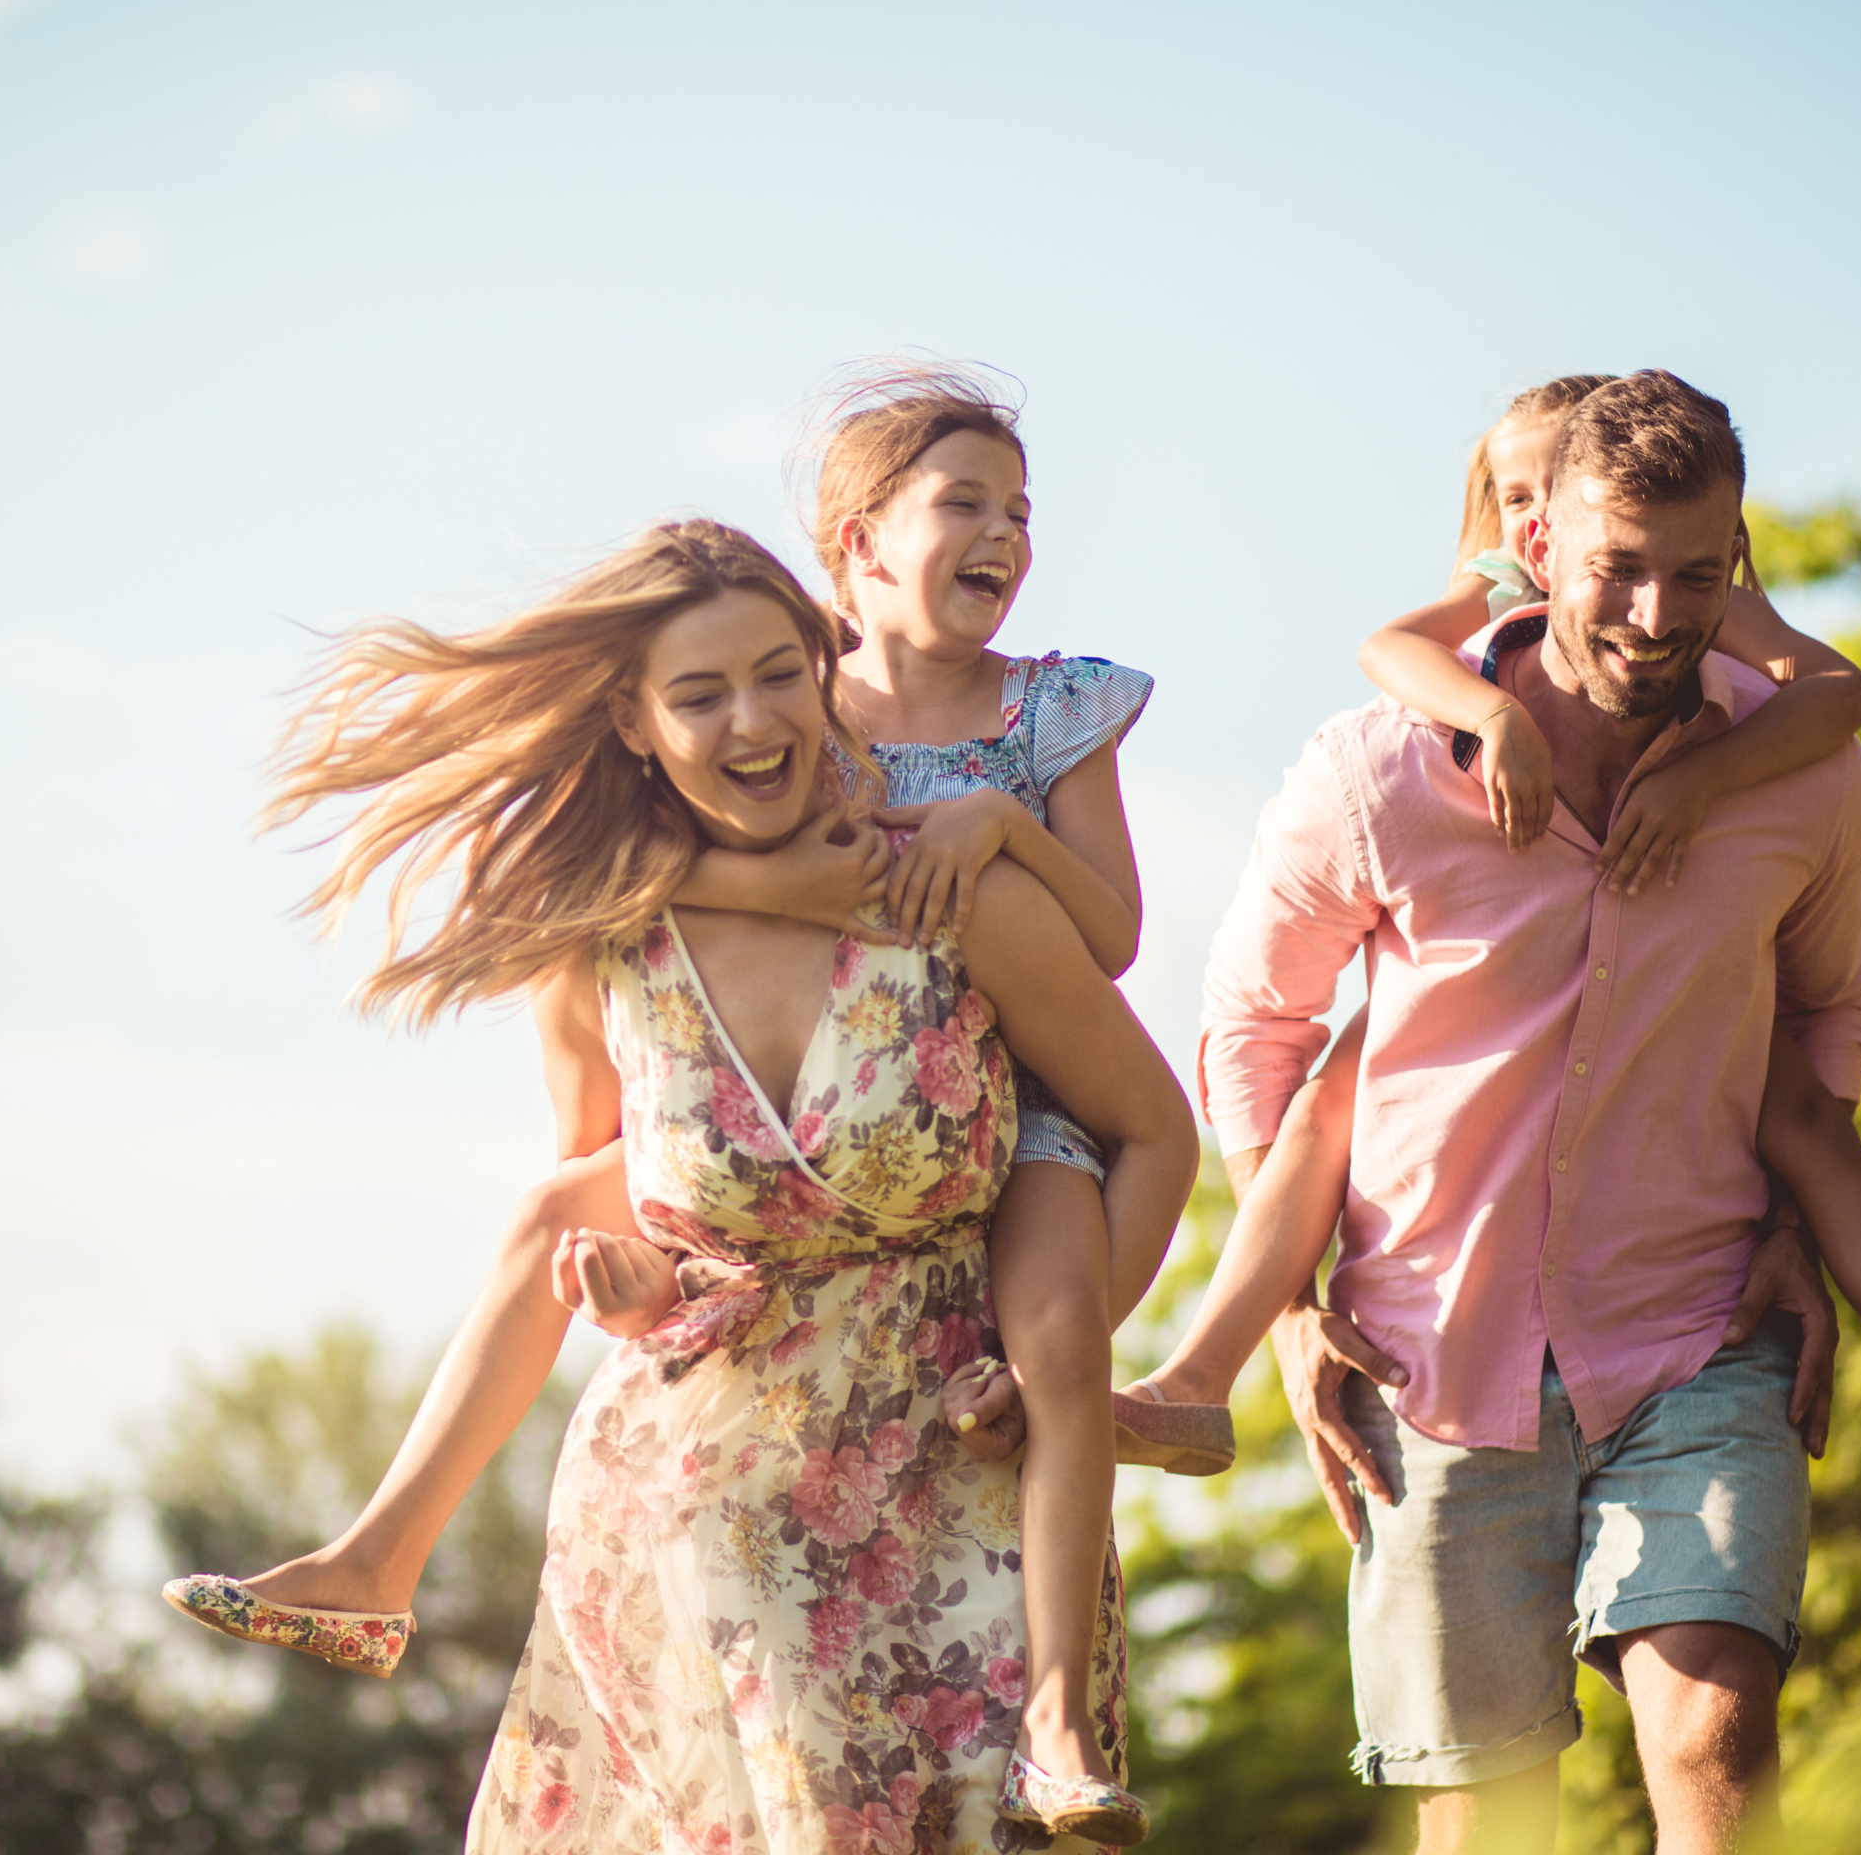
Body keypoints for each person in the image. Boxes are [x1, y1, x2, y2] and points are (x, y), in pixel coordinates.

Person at [170, 366, 1207, 1817]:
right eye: (700, 695)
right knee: (547, 1208)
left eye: (777, 677)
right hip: (698, 1517)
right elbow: (630, 1197)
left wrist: (1091, 1340)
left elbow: (1131, 1024)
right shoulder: (606, 929)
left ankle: (1069, 1667)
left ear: (820, 672)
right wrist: (630, 1279)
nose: (753, 718)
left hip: (953, 1424)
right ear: (638, 721)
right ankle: (378, 1555)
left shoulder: (946, 867)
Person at [1185, 372, 1861, 1850]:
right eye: (1616, 573)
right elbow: (1255, 1023)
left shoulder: (1805, 779)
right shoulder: (1376, 771)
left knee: (1714, 1732)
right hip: (1432, 1353)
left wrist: (1790, 1224)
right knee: (1488, 1821)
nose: (1654, 615)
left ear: (1736, 558)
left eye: (1693, 577)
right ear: (1540, 540)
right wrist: (1280, 1307)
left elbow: (1833, 1009)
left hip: (1696, 1333)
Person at [1139, 374, 1861, 1491]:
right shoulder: (1449, 674)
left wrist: (1708, 779)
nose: (1648, 603)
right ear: (1531, 532)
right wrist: (1492, 714)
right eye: (1518, 495)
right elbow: (1386, 649)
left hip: (1693, 1099)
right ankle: (1198, 1372)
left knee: (1807, 1119)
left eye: (1557, 478)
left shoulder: (1686, 597)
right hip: (1444, 1326)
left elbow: (1840, 691)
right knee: (1348, 1083)